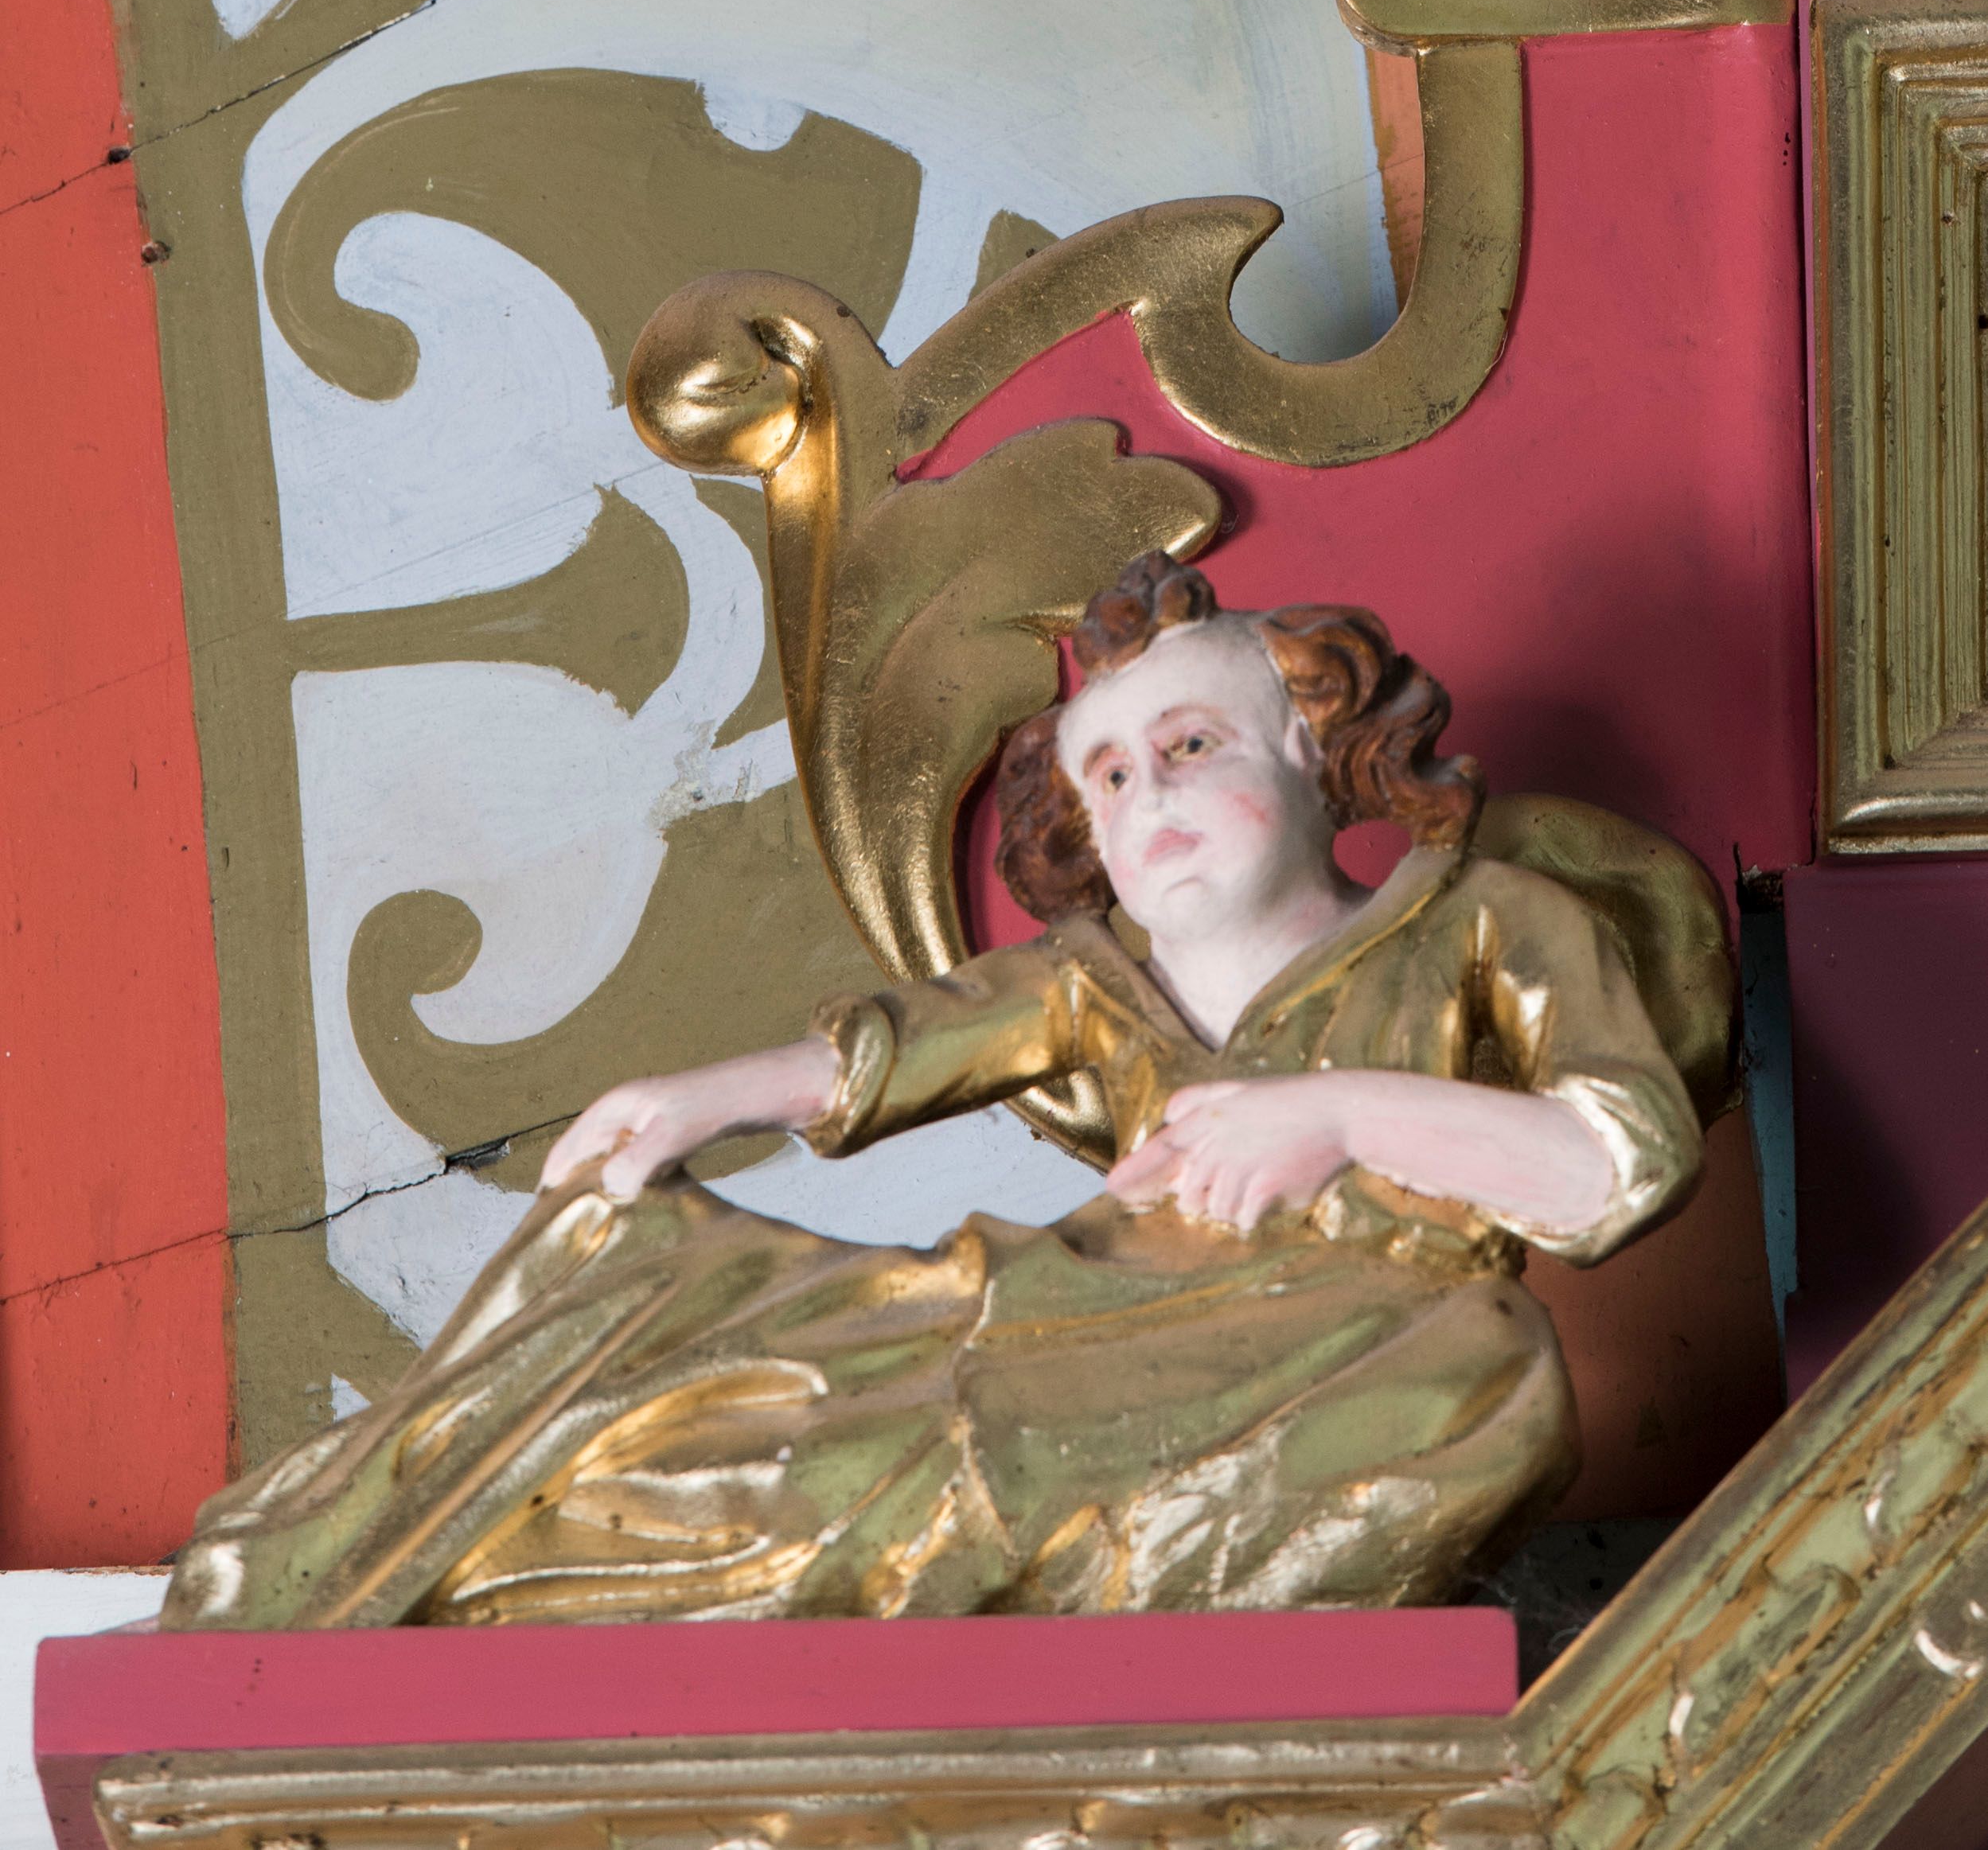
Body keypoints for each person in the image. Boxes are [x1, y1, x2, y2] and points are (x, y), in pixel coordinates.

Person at [161, 557, 1713, 1629]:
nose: (1149, 794)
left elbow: (1615, 1159)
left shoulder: (1485, 923)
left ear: (1315, 749)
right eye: (1110, 776)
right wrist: (697, 1096)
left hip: (1358, 1333)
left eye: (1189, 743)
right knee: (677, 1311)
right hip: (1078, 1313)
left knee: (1489, 1367)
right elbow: (909, 1040)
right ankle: (430, 1551)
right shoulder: (1098, 983)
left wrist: (1340, 1113)